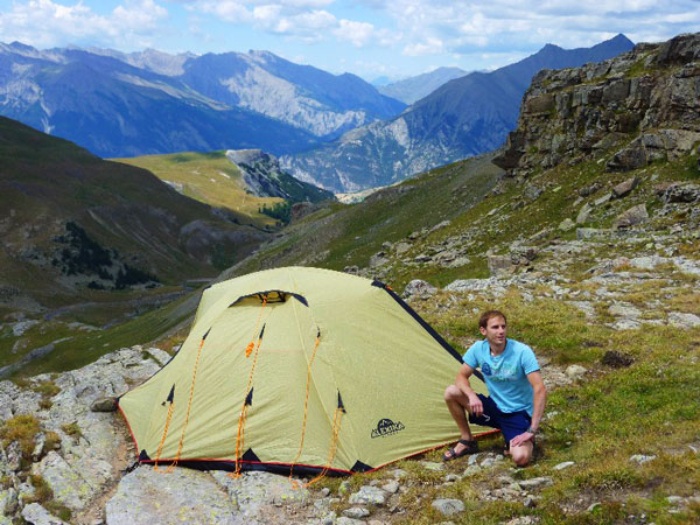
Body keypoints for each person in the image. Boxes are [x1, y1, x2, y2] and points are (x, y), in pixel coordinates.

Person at [443, 310, 546, 467]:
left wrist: (532, 429)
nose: (501, 331)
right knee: (451, 392)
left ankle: (522, 440)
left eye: (503, 327)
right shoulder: (478, 349)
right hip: (495, 407)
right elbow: (460, 377)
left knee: (520, 458)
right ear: (483, 331)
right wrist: (471, 396)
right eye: (495, 327)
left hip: (518, 413)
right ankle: (467, 440)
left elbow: (539, 388)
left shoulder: (522, 352)